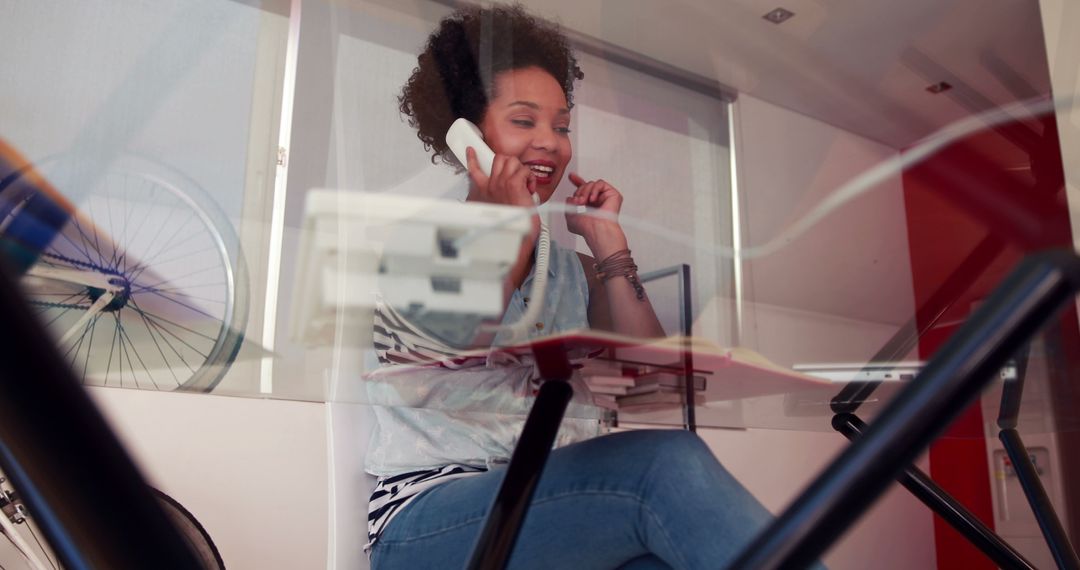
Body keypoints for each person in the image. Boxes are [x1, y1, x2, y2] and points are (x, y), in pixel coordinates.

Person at [364, 5, 778, 569]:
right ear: (468, 137)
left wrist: (608, 245)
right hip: (427, 522)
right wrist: (511, 229)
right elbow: (445, 357)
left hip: (547, 507)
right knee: (663, 467)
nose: (552, 143)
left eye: (561, 126)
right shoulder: (416, 243)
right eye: (525, 121)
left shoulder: (571, 270)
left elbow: (652, 386)